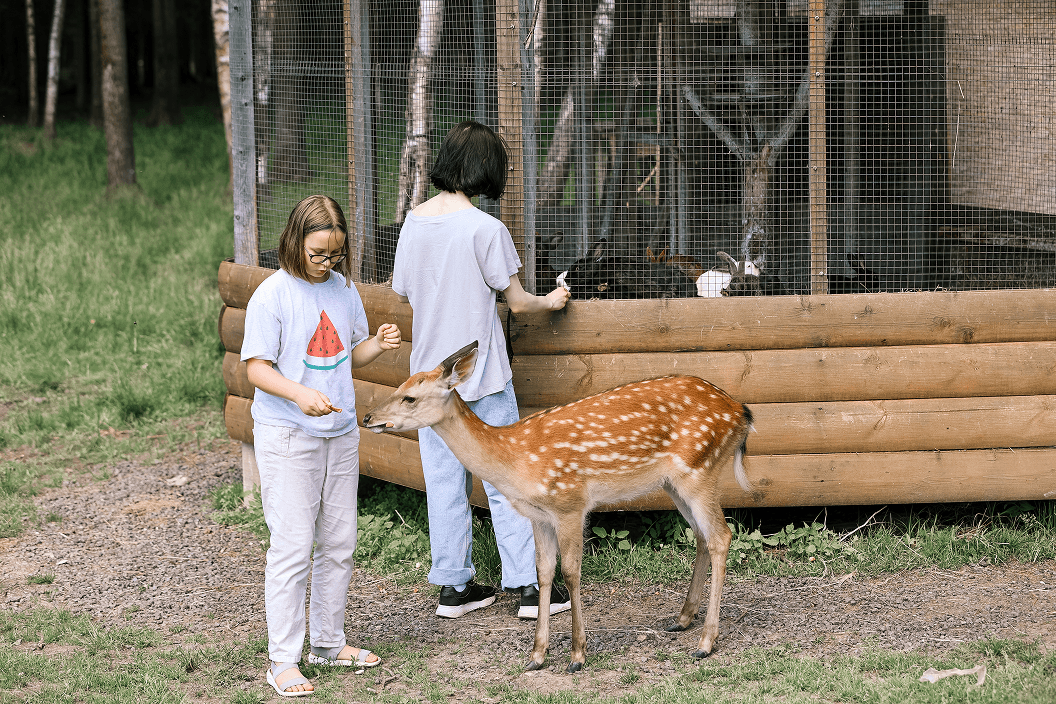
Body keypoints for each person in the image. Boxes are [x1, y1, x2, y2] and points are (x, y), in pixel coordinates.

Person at [391, 120, 572, 620]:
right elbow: (516, 302)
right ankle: (529, 587)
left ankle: (453, 587)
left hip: (431, 381)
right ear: (486, 170)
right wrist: (553, 300)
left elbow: (403, 291)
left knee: (443, 480)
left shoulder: (412, 223)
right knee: (507, 478)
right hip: (482, 374)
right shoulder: (485, 229)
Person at [242, 194, 402, 697]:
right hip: (288, 434)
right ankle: (283, 661)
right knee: (291, 548)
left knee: (339, 543)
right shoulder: (272, 296)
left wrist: (379, 342)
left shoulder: (342, 289)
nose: (326, 263)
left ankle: (328, 645)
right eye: (317, 254)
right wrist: (300, 394)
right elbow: (256, 368)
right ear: (295, 242)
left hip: (340, 431)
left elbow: (346, 357)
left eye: (335, 254)